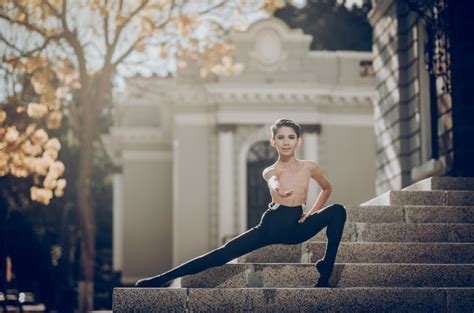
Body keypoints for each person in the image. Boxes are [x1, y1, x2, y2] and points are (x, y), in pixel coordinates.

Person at [135, 118, 346, 288]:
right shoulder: (271, 170)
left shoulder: (310, 167)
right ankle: (159, 279)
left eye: (291, 137)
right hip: (271, 226)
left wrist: (311, 213)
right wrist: (278, 189)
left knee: (337, 211)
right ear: (273, 142)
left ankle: (326, 269)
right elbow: (272, 181)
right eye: (280, 137)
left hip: (297, 228)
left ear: (298, 141)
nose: (286, 141)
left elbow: (326, 188)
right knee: (222, 254)